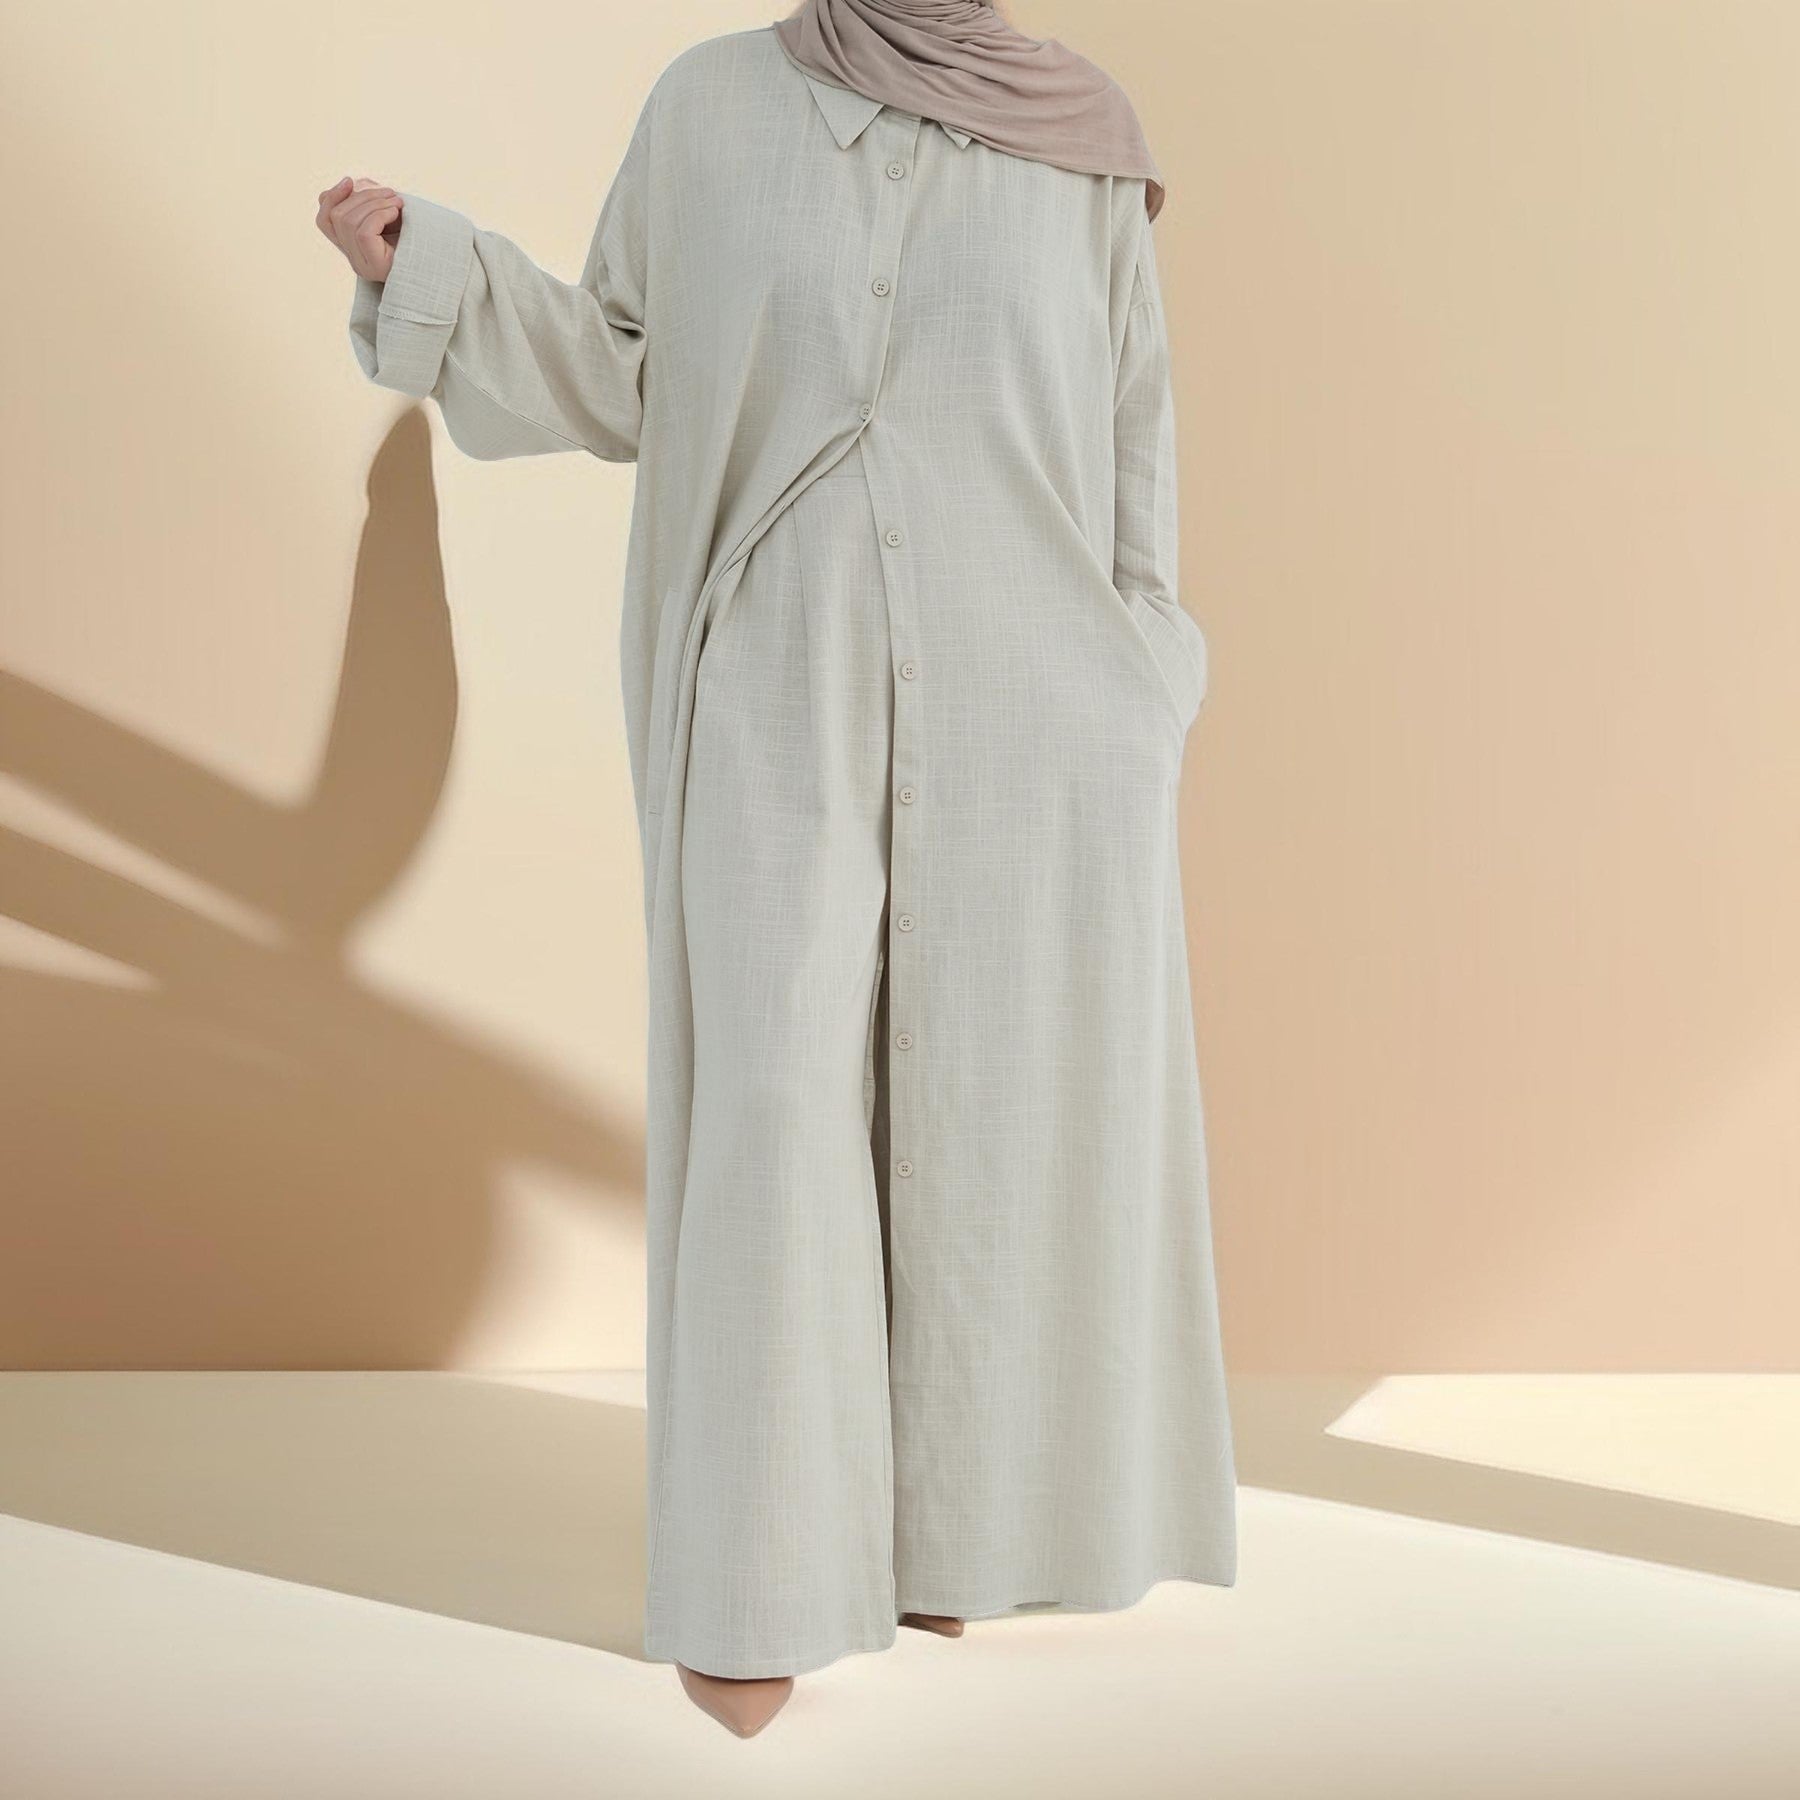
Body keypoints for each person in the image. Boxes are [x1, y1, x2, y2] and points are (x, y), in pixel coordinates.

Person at [317, 0, 1236, 1739]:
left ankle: (951, 1535)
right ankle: (755, 1576)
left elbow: (1136, 443)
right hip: (771, 678)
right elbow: (617, 367)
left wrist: (1150, 677)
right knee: (776, 1106)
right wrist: (426, 263)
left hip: (1036, 708)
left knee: (989, 1116)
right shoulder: (713, 106)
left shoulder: (1084, 143)